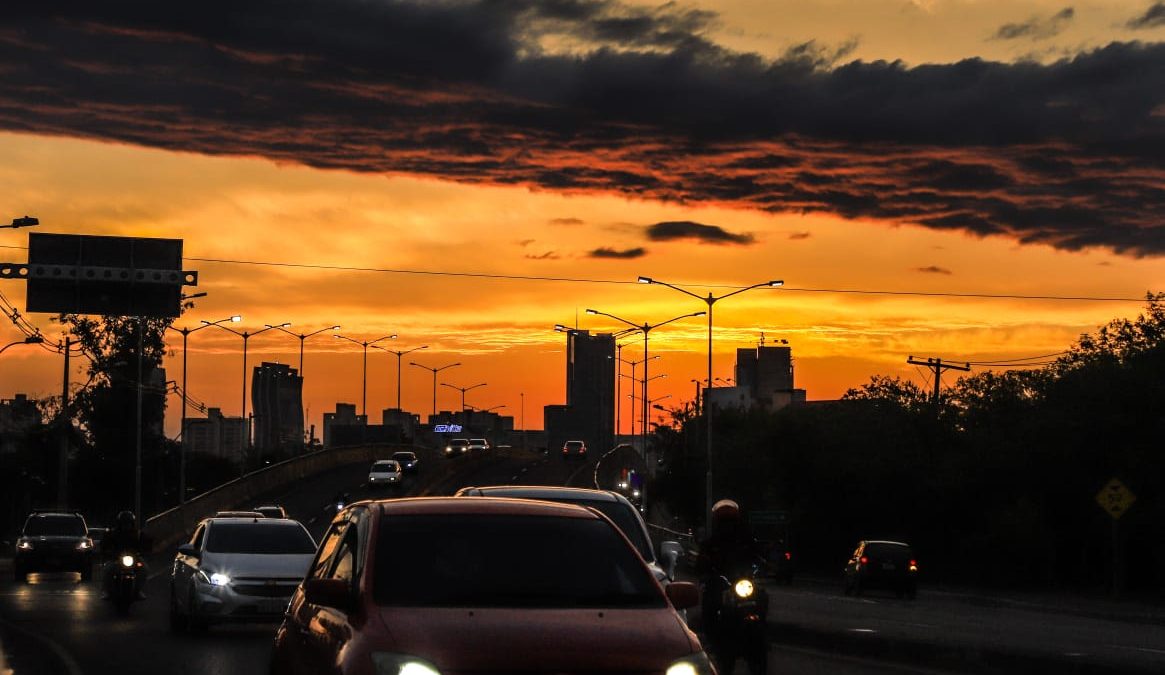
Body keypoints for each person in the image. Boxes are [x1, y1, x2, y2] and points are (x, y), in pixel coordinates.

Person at [695, 500, 765, 638]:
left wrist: (762, 564)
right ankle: (711, 637)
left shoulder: (746, 539)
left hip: (742, 580)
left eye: (730, 520)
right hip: (721, 583)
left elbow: (758, 554)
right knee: (710, 601)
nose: (728, 525)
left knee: (762, 596)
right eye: (724, 521)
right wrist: (705, 571)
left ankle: (761, 629)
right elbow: (701, 562)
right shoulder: (711, 543)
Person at [100, 510, 151, 599]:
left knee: (144, 570)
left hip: (135, 559)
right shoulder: (113, 533)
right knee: (107, 570)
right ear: (119, 523)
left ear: (132, 523)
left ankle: (138, 590)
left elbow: (146, 543)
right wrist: (107, 551)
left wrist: (146, 550)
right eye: (124, 523)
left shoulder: (138, 534)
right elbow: (104, 544)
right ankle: (107, 591)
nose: (126, 525)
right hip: (116, 559)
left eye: (128, 523)